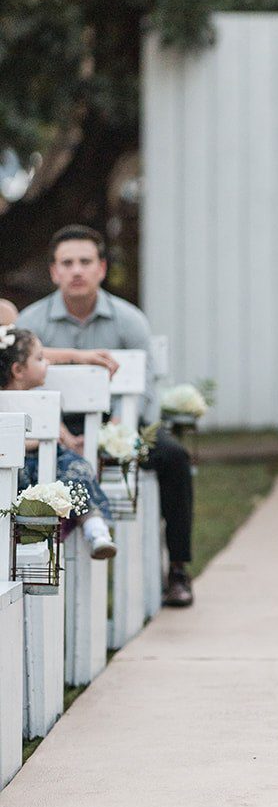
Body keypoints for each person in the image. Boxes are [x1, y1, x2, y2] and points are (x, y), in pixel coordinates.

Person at [17, 226, 196, 607]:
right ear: (54, 272)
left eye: (85, 262)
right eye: (67, 263)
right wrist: (60, 432)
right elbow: (21, 389)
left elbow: (147, 387)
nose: (77, 270)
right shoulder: (32, 323)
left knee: (175, 458)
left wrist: (117, 429)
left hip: (120, 425)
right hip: (54, 433)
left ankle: (178, 568)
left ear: (101, 268)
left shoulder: (129, 320)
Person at [0, 326, 117, 560]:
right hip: (19, 474)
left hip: (53, 465)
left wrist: (73, 442)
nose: (47, 364)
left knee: (77, 469)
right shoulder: (3, 401)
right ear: (18, 370)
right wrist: (37, 443)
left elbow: (61, 433)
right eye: (40, 359)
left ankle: (95, 528)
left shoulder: (43, 397)